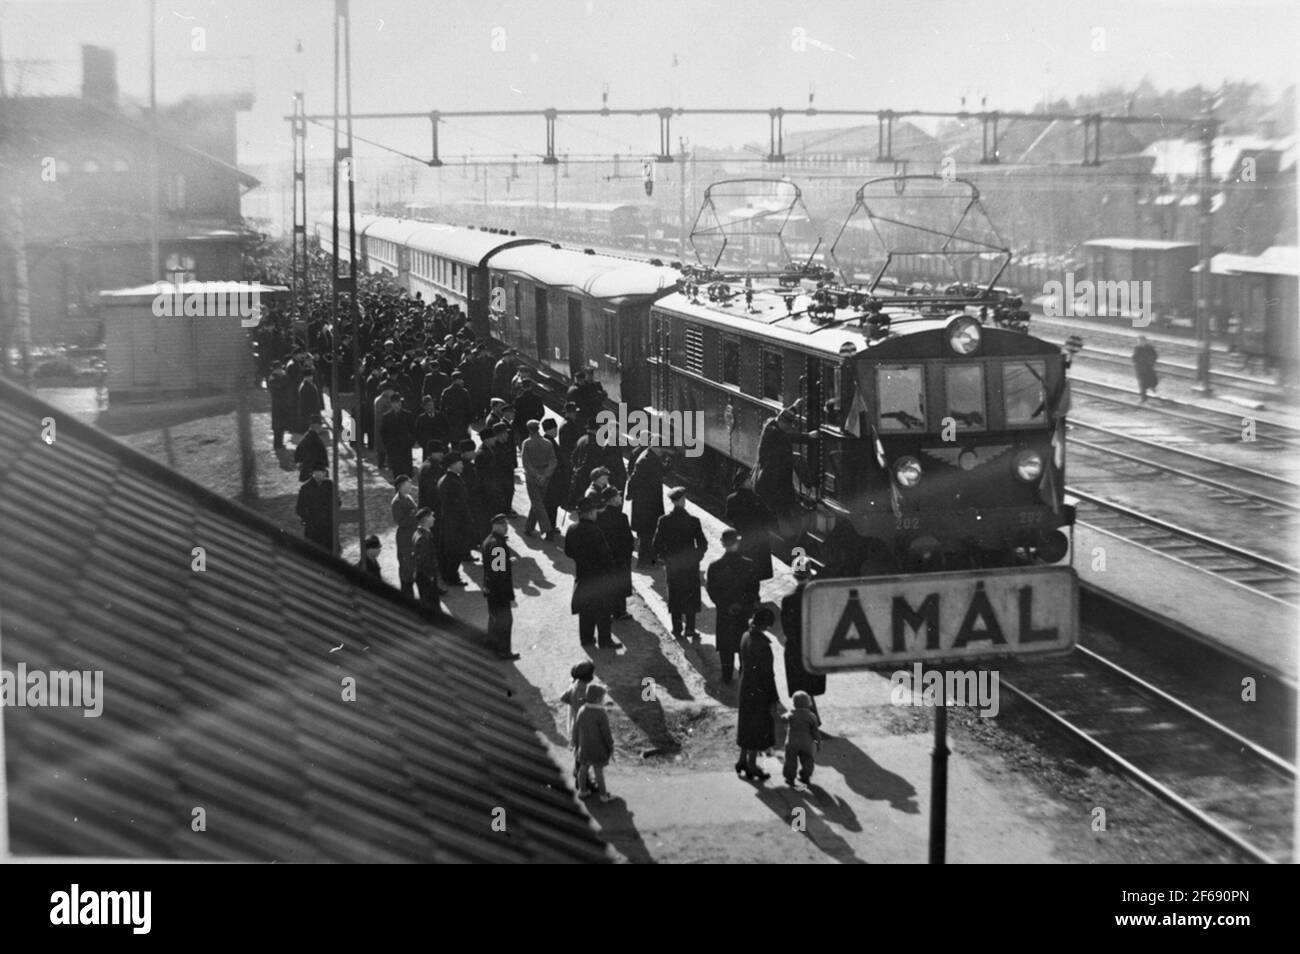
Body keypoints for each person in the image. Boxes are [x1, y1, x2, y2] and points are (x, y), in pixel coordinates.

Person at [564, 495, 620, 649]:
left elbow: (568, 551)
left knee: (586, 609)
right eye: (594, 511)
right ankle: (605, 640)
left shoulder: (572, 528)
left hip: (582, 574)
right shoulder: (595, 531)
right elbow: (606, 556)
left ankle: (587, 639)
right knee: (603, 610)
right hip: (599, 576)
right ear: (589, 513)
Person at [651, 487, 707, 639]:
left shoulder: (663, 521)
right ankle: (690, 628)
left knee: (675, 595)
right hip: (690, 565)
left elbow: (656, 544)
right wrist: (697, 557)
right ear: (682, 501)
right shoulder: (693, 521)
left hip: (673, 565)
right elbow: (703, 544)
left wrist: (666, 557)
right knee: (691, 595)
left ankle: (677, 629)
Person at [706, 528, 761, 684]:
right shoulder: (749, 564)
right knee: (744, 646)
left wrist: (726, 606)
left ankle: (726, 676)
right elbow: (754, 589)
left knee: (726, 647)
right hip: (743, 613)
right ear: (738, 542)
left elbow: (712, 592)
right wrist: (744, 606)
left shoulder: (715, 566)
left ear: (722, 543)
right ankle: (744, 677)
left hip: (725, 613)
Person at [735, 607, 780, 781]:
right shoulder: (763, 646)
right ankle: (752, 765)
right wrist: (773, 698)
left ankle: (741, 760)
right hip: (759, 691)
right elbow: (768, 675)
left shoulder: (746, 635)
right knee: (757, 728)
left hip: (746, 686)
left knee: (746, 724)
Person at [753, 402, 815, 526]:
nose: (789, 427)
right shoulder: (773, 432)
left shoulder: (772, 425)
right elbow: (787, 437)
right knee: (784, 513)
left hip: (775, 481)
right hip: (772, 483)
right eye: (788, 425)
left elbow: (785, 424)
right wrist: (808, 436)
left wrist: (795, 407)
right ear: (781, 422)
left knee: (785, 512)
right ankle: (788, 538)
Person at [780, 563, 826, 718]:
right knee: (811, 683)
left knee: (800, 683)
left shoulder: (788, 598)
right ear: (810, 575)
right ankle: (812, 716)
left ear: (794, 576)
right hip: (814, 646)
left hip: (796, 647)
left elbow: (787, 627)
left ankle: (809, 717)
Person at [481, 514, 520, 660]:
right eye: (504, 525)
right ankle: (503, 651)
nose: (507, 528)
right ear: (497, 526)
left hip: (491, 588)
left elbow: (495, 566)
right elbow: (498, 573)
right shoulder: (498, 545)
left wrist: (506, 562)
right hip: (499, 591)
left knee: (494, 619)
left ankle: (491, 646)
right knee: (505, 621)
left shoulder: (489, 541)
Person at [724, 473, 775, 580]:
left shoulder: (731, 499)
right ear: (745, 483)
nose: (751, 482)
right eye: (749, 481)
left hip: (742, 538)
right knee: (756, 573)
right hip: (758, 542)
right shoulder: (756, 499)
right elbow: (768, 517)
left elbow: (729, 517)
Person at [596, 488, 634, 620]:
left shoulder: (598, 515)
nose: (620, 497)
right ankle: (620, 612)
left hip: (604, 556)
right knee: (620, 584)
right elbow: (628, 540)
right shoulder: (622, 517)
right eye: (618, 495)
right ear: (612, 499)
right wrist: (628, 554)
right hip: (620, 557)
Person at [572, 682, 615, 801]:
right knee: (598, 772)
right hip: (598, 749)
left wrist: (576, 743)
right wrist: (611, 746)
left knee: (583, 768)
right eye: (602, 698)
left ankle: (582, 791)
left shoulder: (581, 710)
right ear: (597, 699)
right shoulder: (601, 714)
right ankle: (603, 795)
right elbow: (606, 734)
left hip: (584, 748)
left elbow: (576, 728)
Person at [560, 661, 598, 792]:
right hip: (583, 727)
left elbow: (563, 698)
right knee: (585, 756)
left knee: (578, 750)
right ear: (588, 677)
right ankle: (583, 782)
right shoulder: (584, 693)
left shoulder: (574, 686)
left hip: (574, 725)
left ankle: (577, 772)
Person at [436, 456, 474, 586]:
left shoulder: (446, 479)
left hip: (450, 520)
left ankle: (447, 574)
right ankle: (452, 577)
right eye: (459, 463)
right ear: (452, 465)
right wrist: (467, 520)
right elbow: (459, 504)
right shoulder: (452, 482)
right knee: (455, 550)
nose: (462, 466)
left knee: (450, 549)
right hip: (456, 521)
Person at [627, 445, 665, 566]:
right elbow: (634, 478)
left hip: (650, 500)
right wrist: (630, 493)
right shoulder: (645, 460)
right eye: (660, 448)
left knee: (650, 531)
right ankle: (643, 562)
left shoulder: (652, 458)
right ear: (654, 447)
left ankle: (651, 558)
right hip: (646, 503)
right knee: (647, 532)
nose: (662, 451)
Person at [521, 419, 558, 540]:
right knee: (538, 502)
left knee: (537, 503)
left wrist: (535, 475)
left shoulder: (526, 443)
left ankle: (547, 530)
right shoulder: (547, 443)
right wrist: (545, 475)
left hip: (532, 477)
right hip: (545, 476)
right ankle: (529, 528)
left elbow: (525, 463)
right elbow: (553, 461)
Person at [781, 691, 822, 789]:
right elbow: (815, 732)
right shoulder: (812, 716)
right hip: (807, 743)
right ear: (808, 703)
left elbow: (783, 719)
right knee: (808, 759)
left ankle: (790, 777)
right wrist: (818, 742)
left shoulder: (792, 713)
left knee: (790, 760)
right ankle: (805, 776)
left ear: (794, 703)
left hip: (792, 741)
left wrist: (783, 715)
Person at [412, 507, 445, 613]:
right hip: (426, 577)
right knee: (431, 606)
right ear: (426, 519)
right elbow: (425, 559)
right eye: (432, 516)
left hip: (422, 575)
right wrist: (431, 576)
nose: (434, 519)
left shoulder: (418, 533)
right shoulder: (423, 538)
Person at [390, 475, 418, 599]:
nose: (410, 486)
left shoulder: (408, 497)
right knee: (406, 565)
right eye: (408, 485)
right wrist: (413, 516)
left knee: (413, 563)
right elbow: (400, 521)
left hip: (412, 533)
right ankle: (407, 594)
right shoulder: (397, 502)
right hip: (405, 536)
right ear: (400, 486)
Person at [295, 463, 334, 551]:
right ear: (314, 473)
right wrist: (308, 518)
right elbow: (299, 508)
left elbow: (337, 502)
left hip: (328, 526)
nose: (322, 474)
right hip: (313, 527)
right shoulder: (306, 488)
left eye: (323, 472)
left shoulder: (330, 485)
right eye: (319, 472)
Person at [380, 394, 416, 481]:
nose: (396, 405)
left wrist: (410, 442)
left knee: (407, 473)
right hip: (393, 448)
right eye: (394, 403)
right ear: (391, 404)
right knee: (396, 473)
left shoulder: (408, 415)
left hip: (405, 448)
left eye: (398, 402)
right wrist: (388, 444)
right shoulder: (386, 417)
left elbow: (413, 431)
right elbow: (383, 432)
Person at [542, 418, 568, 533]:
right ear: (549, 430)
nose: (556, 430)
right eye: (554, 428)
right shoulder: (548, 442)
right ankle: (549, 527)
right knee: (550, 504)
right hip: (552, 479)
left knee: (552, 504)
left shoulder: (549, 440)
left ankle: (551, 526)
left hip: (553, 478)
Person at [267, 360, 294, 449]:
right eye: (280, 368)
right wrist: (284, 377)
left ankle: (279, 443)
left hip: (281, 404)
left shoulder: (280, 376)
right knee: (277, 426)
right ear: (276, 369)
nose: (281, 370)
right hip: (277, 404)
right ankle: (277, 444)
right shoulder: (273, 378)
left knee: (281, 425)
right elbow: (280, 386)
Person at [293, 414, 329, 482]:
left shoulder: (309, 436)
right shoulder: (312, 438)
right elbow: (319, 454)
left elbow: (297, 452)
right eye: (319, 426)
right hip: (312, 470)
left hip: (309, 470)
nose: (321, 428)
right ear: (314, 426)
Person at [439, 372, 473, 443]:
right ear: (455, 380)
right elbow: (469, 408)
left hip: (451, 422)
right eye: (460, 379)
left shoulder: (446, 392)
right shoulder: (464, 392)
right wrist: (469, 421)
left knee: (454, 444)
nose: (462, 381)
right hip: (463, 422)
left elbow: (442, 408)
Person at [372, 381, 398, 469]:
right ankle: (384, 463)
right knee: (383, 445)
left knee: (382, 445)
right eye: (391, 390)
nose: (393, 392)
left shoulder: (380, 399)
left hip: (382, 426)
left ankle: (383, 462)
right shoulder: (382, 401)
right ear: (387, 391)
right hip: (383, 426)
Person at [513, 379, 545, 444]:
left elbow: (516, 414)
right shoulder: (537, 398)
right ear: (531, 386)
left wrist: (516, 425)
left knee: (524, 442)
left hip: (522, 426)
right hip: (533, 425)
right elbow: (542, 412)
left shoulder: (519, 399)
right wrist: (536, 420)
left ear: (522, 387)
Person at [417, 440, 446, 511]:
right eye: (438, 452)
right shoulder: (431, 468)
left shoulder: (425, 465)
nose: (441, 454)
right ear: (431, 453)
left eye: (442, 452)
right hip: (431, 510)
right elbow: (432, 492)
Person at [1133, 335, 1159, 402]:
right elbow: (1134, 358)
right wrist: (1139, 364)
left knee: (1152, 380)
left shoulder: (1149, 348)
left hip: (1148, 368)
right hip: (1140, 369)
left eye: (1142, 341)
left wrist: (1151, 362)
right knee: (1142, 384)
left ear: (1145, 341)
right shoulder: (1137, 348)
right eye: (1139, 342)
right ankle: (1143, 398)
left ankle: (1152, 387)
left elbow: (1155, 355)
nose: (1140, 343)